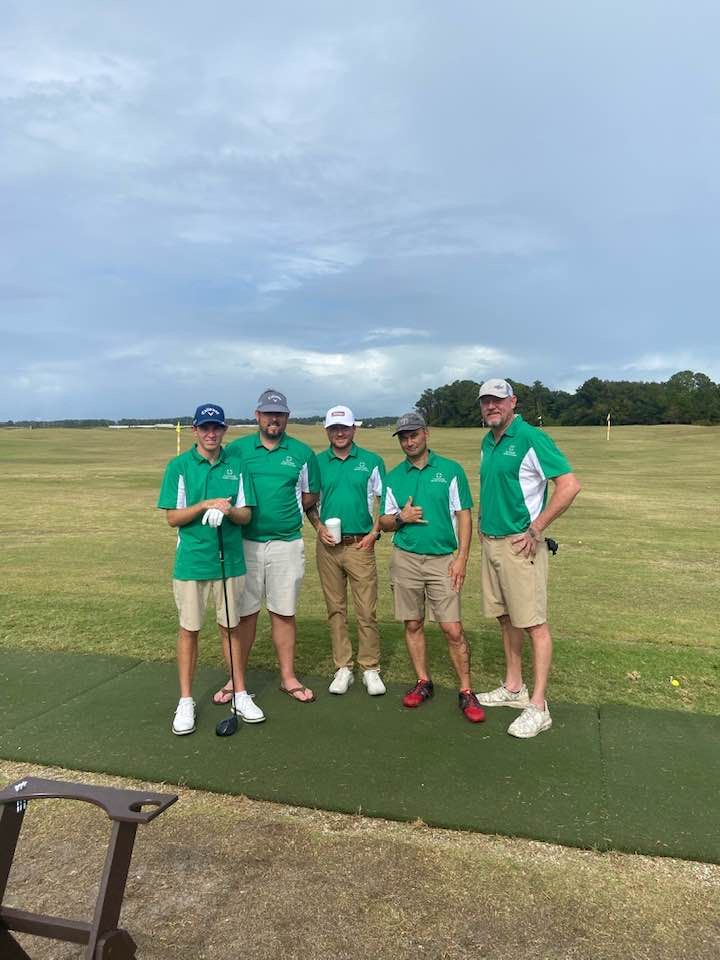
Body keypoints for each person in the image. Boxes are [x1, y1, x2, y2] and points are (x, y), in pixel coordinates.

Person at [476, 378, 581, 738]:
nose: (491, 407)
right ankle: (514, 687)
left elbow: (569, 485)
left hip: (521, 547)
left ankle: (538, 706)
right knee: (507, 619)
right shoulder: (487, 442)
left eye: (498, 401)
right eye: (486, 402)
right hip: (491, 543)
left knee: (535, 624)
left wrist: (537, 528)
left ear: (513, 402)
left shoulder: (531, 438)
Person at [157, 403, 262, 735]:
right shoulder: (179, 466)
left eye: (216, 427)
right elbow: (172, 517)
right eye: (205, 428)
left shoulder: (237, 465)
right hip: (192, 561)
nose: (211, 433)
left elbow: (247, 515)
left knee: (231, 628)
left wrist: (229, 510)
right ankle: (186, 700)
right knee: (190, 630)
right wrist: (204, 504)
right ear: (195, 431)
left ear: (224, 430)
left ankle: (240, 693)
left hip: (229, 560)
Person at [379, 412, 485, 723]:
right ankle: (423, 681)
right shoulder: (394, 476)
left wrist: (462, 557)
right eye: (403, 436)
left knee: (452, 628)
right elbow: (383, 522)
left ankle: (466, 690)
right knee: (412, 623)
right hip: (406, 558)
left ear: (426, 433)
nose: (409, 441)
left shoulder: (450, 470)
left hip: (442, 559)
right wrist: (402, 518)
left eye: (413, 434)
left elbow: (463, 514)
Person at [222, 389, 320, 703]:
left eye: (279, 414)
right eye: (268, 414)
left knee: (284, 612)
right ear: (257, 416)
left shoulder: (302, 453)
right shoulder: (237, 450)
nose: (273, 419)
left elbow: (309, 497)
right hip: (245, 543)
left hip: (286, 544)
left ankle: (288, 677)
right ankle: (235, 681)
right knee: (245, 615)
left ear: (287, 417)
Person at [306, 405, 386, 696]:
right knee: (335, 609)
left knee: (366, 609)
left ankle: (370, 668)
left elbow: (384, 501)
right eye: (334, 428)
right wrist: (318, 527)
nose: (339, 433)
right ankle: (343, 667)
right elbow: (309, 503)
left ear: (354, 429)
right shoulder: (316, 462)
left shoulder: (371, 461)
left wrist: (374, 533)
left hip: (359, 545)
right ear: (327, 430)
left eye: (344, 427)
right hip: (327, 547)